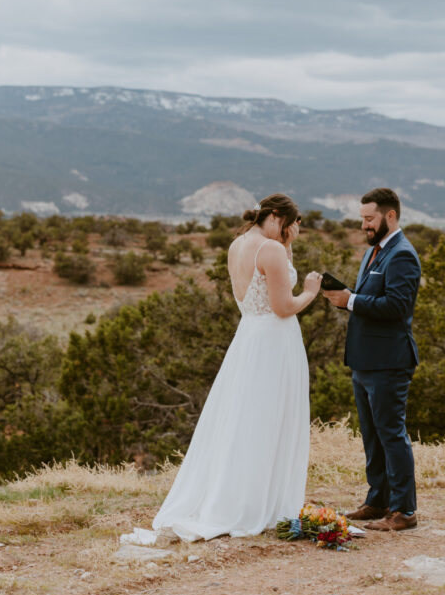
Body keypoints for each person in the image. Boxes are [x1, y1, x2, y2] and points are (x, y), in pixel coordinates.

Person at [122, 194, 322, 544]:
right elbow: (284, 305)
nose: (294, 230)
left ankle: (243, 495)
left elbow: (263, 288)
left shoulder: (238, 245)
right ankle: (259, 503)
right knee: (270, 418)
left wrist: (286, 245)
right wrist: (311, 291)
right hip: (274, 342)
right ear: (276, 217)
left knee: (245, 420)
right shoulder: (271, 250)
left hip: (248, 338)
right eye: (292, 223)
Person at [322, 187, 422, 532]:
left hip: (389, 361)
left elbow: (397, 307)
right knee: (372, 436)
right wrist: (345, 296)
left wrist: (350, 301)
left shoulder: (403, 255)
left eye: (369, 219)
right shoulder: (373, 253)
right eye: (362, 219)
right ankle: (378, 500)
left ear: (389, 216)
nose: (364, 225)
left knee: (392, 434)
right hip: (364, 361)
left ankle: (404, 510)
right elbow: (368, 298)